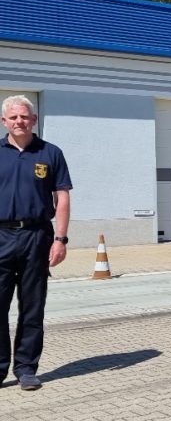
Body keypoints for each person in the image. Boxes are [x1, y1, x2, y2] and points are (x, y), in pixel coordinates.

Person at [0, 95, 72, 391]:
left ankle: (26, 368)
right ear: (4, 121)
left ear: (34, 119)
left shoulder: (50, 153)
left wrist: (60, 239)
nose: (20, 121)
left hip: (36, 236)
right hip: (1, 236)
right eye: (13, 117)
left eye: (25, 116)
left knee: (32, 307)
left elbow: (63, 197)